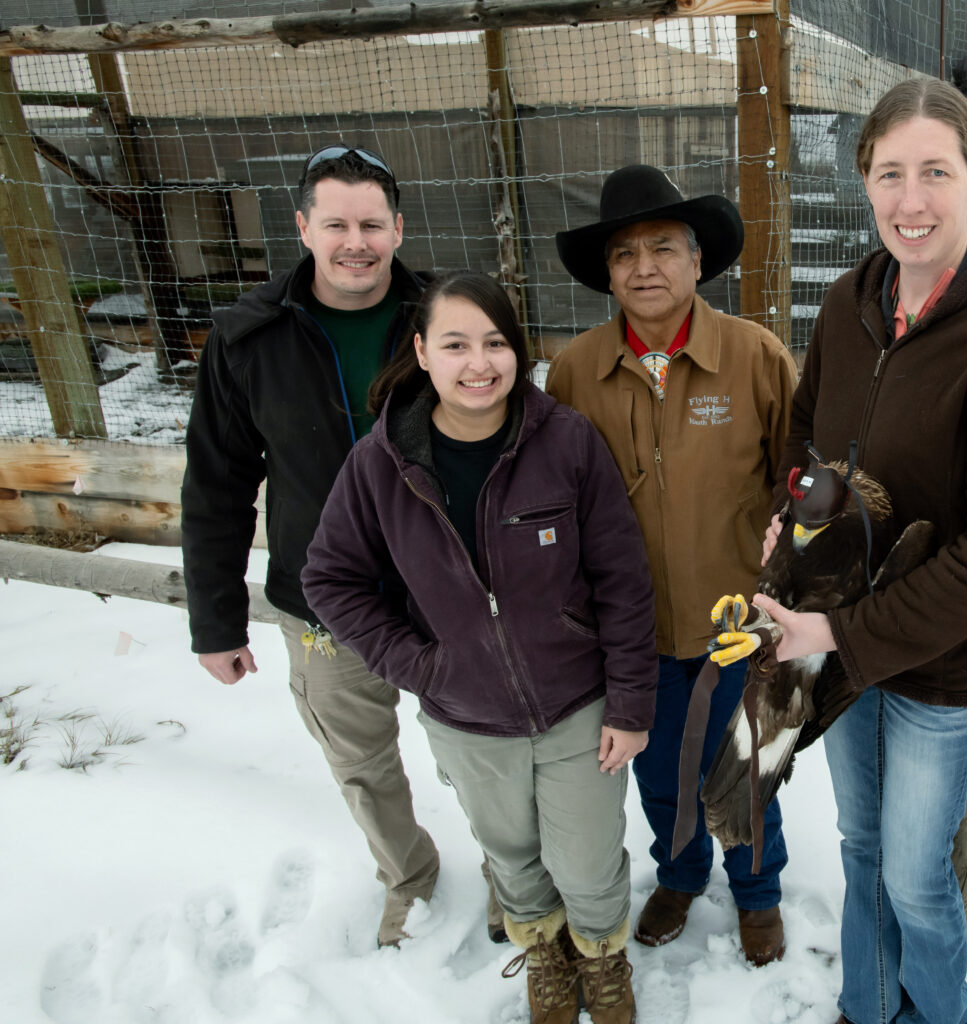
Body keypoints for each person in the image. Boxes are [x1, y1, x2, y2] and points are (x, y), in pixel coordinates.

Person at [750, 80, 967, 1024]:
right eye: (890, 174)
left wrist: (840, 628)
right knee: (858, 846)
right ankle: (864, 1005)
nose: (912, 199)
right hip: (842, 644)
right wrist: (789, 519)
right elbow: (804, 449)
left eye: (935, 171)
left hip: (946, 668)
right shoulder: (851, 304)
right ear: (865, 184)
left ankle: (936, 1013)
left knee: (917, 876)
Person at [302, 271, 655, 1024]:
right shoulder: (381, 463)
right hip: (466, 717)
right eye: (456, 343)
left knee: (588, 862)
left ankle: (601, 952)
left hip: (577, 707)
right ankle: (546, 954)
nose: (478, 363)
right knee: (514, 859)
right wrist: (420, 665)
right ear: (421, 352)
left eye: (496, 343)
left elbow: (623, 579)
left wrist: (629, 702)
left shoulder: (564, 441)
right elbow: (329, 579)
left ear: (517, 353)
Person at [181, 144, 458, 948]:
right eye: (335, 223)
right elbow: (217, 486)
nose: (355, 242)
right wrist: (216, 622)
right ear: (303, 227)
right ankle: (410, 878)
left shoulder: (444, 317)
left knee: (480, 752)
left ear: (399, 228)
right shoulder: (248, 338)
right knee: (363, 764)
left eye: (372, 223)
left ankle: (516, 871)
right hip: (322, 605)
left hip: (444, 592)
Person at [545, 164, 798, 966]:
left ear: (697, 262)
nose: (644, 267)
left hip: (738, 622)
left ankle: (757, 893)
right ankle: (681, 875)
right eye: (624, 254)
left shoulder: (756, 358)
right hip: (632, 631)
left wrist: (783, 600)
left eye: (663, 248)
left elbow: (792, 490)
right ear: (608, 275)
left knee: (746, 769)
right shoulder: (576, 372)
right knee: (660, 774)